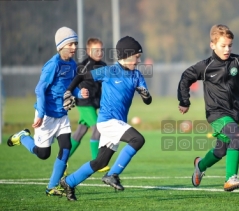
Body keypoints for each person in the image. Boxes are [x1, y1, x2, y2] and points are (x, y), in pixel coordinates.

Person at [59, 36, 152, 201]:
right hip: (107, 121)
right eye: (136, 57)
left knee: (100, 162)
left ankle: (69, 182)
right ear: (126, 55)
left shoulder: (137, 75)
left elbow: (147, 100)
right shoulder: (109, 71)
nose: (138, 60)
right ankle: (113, 174)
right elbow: (81, 76)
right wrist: (68, 91)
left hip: (118, 124)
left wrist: (146, 95)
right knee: (138, 140)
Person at [177, 24, 239, 191]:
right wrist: (184, 101)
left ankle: (200, 166)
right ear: (212, 45)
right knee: (236, 135)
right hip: (215, 114)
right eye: (223, 46)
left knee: (221, 150)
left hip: (234, 114)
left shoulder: (237, 61)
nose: (227, 49)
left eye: (230, 45)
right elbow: (186, 77)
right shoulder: (206, 66)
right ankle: (231, 179)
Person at [6, 27, 89, 196]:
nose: (74, 47)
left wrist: (80, 93)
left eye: (76, 43)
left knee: (66, 147)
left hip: (62, 116)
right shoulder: (53, 65)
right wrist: (41, 114)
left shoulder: (72, 65)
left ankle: (51, 186)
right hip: (46, 116)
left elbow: (70, 88)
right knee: (43, 154)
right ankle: (23, 137)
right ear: (61, 46)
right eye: (71, 44)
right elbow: (39, 90)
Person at [67, 37, 110, 173]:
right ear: (88, 51)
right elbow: (75, 82)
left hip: (94, 104)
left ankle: (62, 158)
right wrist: (76, 93)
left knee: (80, 132)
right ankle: (97, 162)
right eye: (96, 50)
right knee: (97, 128)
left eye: (101, 50)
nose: (99, 52)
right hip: (84, 104)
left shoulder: (103, 66)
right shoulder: (83, 66)